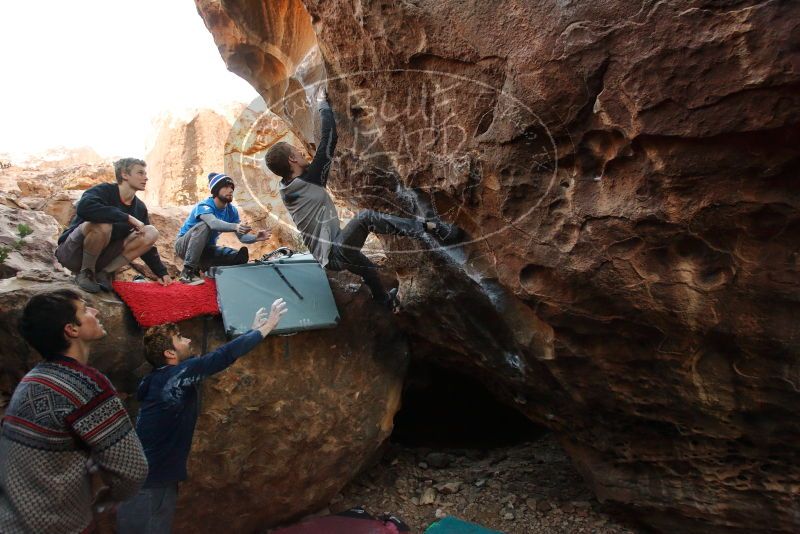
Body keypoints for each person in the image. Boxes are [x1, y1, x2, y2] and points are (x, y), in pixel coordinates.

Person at [264, 92, 462, 310]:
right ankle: (434, 228)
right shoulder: (309, 181)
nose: (301, 152)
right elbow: (329, 139)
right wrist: (323, 105)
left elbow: (314, 161)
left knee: (367, 268)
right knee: (366, 218)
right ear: (292, 159)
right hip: (334, 253)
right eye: (296, 152)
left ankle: (385, 302)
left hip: (332, 252)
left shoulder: (288, 187)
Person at [116, 298, 288, 533]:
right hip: (147, 481)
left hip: (158, 477)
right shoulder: (174, 376)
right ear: (169, 353)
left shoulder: (162, 378)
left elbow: (216, 358)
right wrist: (265, 329)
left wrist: (252, 331)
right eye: (180, 339)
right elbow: (220, 358)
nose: (187, 340)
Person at [0, 289, 148, 533]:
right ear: (72, 330)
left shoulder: (32, 379)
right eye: (84, 309)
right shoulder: (85, 386)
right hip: (55, 526)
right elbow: (132, 470)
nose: (95, 311)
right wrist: (109, 497)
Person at [56, 158, 172, 293]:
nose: (146, 178)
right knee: (103, 225)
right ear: (124, 174)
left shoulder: (139, 208)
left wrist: (161, 272)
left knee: (150, 232)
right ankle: (86, 272)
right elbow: (84, 208)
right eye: (140, 173)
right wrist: (127, 218)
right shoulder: (103, 191)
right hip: (72, 254)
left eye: (145, 174)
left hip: (102, 259)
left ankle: (104, 273)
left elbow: (146, 245)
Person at [174, 172, 271, 285]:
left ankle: (205, 269)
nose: (230, 190)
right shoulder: (204, 205)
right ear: (216, 190)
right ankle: (188, 271)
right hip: (184, 247)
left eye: (231, 187)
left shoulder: (231, 211)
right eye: (226, 187)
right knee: (205, 225)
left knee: (237, 257)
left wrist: (256, 238)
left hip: (205, 250)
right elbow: (213, 223)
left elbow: (242, 238)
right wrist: (235, 226)